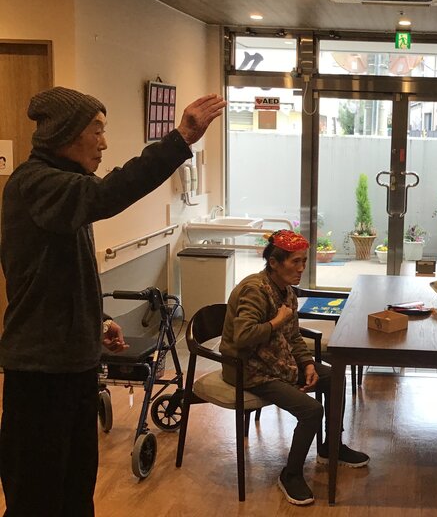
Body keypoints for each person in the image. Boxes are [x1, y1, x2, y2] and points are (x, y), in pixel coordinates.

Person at [0, 86, 225, 517]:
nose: (104, 143)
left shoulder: (65, 187)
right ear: (65, 133)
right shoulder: (37, 183)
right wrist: (179, 140)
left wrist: (98, 319)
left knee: (75, 491)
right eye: (97, 131)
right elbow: (108, 194)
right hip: (40, 373)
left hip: (73, 365)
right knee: (36, 499)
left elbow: (60, 276)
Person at [219, 229, 369, 506]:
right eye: (295, 262)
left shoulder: (286, 291)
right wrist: (277, 320)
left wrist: (307, 363)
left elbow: (293, 336)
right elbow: (243, 336)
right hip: (249, 368)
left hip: (277, 360)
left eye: (304, 261)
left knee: (334, 377)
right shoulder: (255, 289)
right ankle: (290, 474)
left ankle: (331, 447)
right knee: (311, 410)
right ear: (274, 263)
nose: (301, 268)